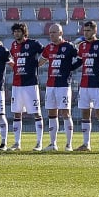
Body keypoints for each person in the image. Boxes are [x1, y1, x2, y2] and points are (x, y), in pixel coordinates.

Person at [40, 23, 80, 151]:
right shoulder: (48, 48)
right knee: (52, 112)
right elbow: (41, 62)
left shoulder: (68, 47)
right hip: (51, 84)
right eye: (50, 33)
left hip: (63, 85)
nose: (52, 35)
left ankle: (69, 144)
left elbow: (80, 58)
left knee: (65, 113)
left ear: (61, 33)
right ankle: (53, 144)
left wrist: (70, 68)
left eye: (54, 32)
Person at [74, 20, 99, 152]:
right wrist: (65, 67)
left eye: (88, 30)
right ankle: (86, 144)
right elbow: (79, 62)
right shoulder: (82, 46)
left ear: (95, 31)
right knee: (85, 113)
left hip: (97, 84)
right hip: (84, 84)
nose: (86, 33)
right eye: (84, 31)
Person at [8, 22, 45, 151]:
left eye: (19, 31)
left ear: (24, 32)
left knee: (36, 113)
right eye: (15, 32)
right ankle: (17, 143)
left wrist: (38, 64)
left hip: (30, 84)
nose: (16, 34)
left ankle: (39, 143)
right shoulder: (13, 46)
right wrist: (13, 66)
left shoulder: (33, 44)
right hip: (17, 84)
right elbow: (11, 59)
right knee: (17, 114)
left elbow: (46, 53)